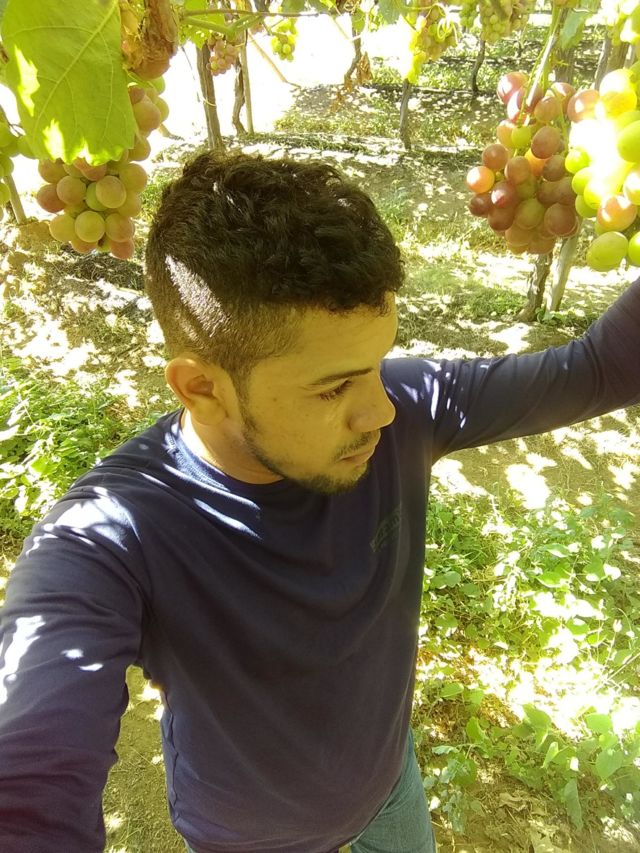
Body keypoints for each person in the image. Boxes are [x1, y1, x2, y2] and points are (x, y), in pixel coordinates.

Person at [0, 152, 639, 853]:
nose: (381, 411)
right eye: (333, 388)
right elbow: (31, 773)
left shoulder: (407, 405)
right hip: (245, 835)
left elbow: (598, 369)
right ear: (201, 387)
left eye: (377, 364)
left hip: (388, 788)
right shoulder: (111, 535)